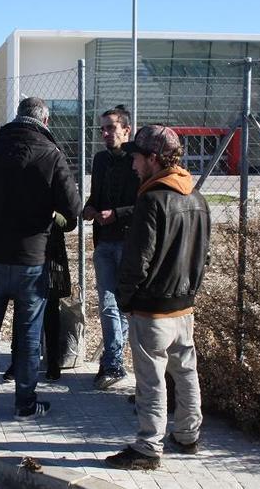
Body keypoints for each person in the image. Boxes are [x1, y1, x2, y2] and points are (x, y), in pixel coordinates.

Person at [0, 97, 81, 421]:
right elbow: (73, 209)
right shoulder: (51, 153)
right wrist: (54, 221)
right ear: (45, 121)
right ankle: (24, 404)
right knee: (29, 335)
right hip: (32, 258)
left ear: (18, 117)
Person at [105, 125, 210, 470]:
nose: (133, 164)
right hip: (184, 305)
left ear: (153, 159)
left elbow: (138, 259)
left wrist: (126, 298)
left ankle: (149, 447)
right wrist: (190, 291)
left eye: (136, 157)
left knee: (151, 379)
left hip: (152, 308)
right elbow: (203, 256)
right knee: (185, 371)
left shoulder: (151, 199)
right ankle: (188, 435)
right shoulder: (196, 197)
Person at [83, 105, 140, 390]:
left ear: (126, 130)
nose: (105, 133)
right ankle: (114, 361)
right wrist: (90, 208)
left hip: (128, 242)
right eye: (102, 128)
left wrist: (116, 214)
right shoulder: (100, 160)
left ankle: (113, 360)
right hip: (104, 242)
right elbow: (96, 196)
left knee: (122, 305)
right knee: (107, 304)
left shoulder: (136, 160)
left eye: (111, 128)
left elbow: (145, 206)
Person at [3, 213, 71, 383]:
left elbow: (70, 222)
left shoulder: (58, 188)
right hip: (24, 253)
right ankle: (17, 362)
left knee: (51, 311)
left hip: (51, 255)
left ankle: (53, 361)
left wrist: (54, 214)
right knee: (21, 309)